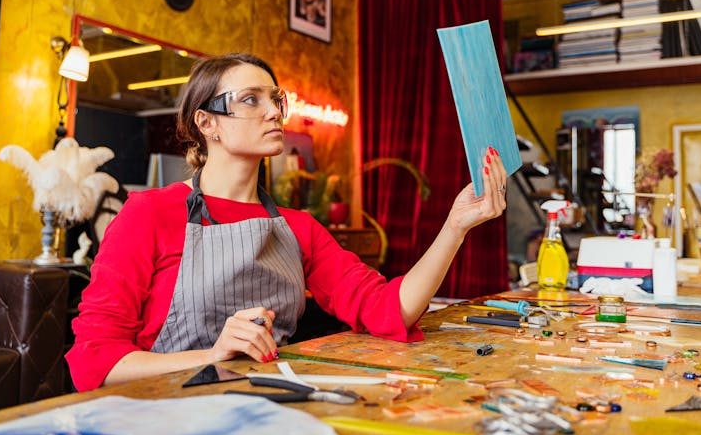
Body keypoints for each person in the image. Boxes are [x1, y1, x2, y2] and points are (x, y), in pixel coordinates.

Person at [66, 53, 508, 391]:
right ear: (207, 123)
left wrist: (456, 226)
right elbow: (97, 361)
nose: (274, 111)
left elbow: (390, 309)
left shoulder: (299, 228)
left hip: (268, 410)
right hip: (163, 417)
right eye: (251, 100)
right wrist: (213, 355)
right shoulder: (150, 214)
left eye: (276, 99)